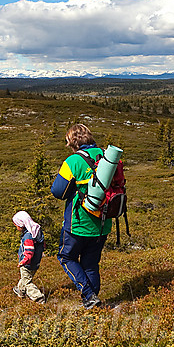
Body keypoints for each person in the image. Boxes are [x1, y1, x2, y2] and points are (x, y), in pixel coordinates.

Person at [51, 124, 111, 309]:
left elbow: (58, 191)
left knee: (66, 257)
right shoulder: (106, 156)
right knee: (91, 263)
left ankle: (88, 295)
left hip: (78, 224)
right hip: (103, 223)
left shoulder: (73, 161)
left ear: (72, 142)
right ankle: (93, 301)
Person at [12, 211, 46, 304]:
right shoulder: (36, 230)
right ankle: (20, 291)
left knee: (27, 282)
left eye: (16, 225)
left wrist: (23, 261)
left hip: (28, 263)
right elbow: (42, 244)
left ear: (21, 225)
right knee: (25, 278)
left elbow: (29, 252)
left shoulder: (28, 236)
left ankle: (38, 298)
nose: (16, 227)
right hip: (36, 262)